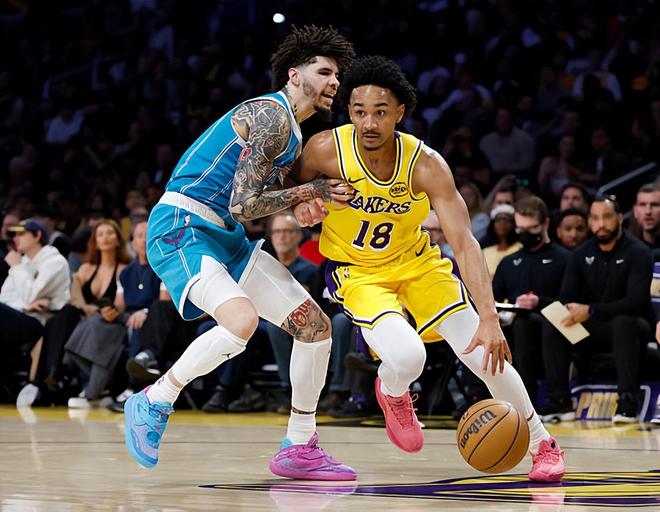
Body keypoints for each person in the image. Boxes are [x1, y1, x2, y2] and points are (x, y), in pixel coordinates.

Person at [292, 55, 565, 482]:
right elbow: (288, 188)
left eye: (380, 112)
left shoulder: (426, 164)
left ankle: (542, 443)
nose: (369, 123)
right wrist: (306, 200)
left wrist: (489, 318)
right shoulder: (325, 149)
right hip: (357, 272)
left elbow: (465, 243)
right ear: (349, 111)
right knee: (408, 357)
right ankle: (393, 391)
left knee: (484, 354)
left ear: (400, 112)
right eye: (359, 111)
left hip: (419, 266)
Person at [123, 25, 357, 481]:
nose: (334, 82)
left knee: (314, 327)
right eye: (324, 72)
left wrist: (303, 201)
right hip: (182, 226)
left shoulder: (291, 131)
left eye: (337, 75)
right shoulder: (271, 115)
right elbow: (244, 204)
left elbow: (259, 199)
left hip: (225, 237)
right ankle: (154, 399)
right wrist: (312, 190)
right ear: (294, 75)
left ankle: (300, 445)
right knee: (241, 321)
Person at [541, 196, 653, 423]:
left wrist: (592, 310)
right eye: (595, 218)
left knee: (623, 321)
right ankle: (560, 401)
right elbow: (566, 298)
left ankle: (627, 403)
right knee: (553, 321)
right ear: (590, 222)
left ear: (620, 218)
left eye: (607, 217)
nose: (601, 224)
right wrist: (571, 310)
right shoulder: (580, 254)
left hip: (633, 327)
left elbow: (636, 302)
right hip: (593, 329)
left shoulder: (639, 252)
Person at [492, 196, 570, 402]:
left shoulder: (565, 259)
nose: (526, 234)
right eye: (521, 229)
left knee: (528, 323)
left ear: (545, 224)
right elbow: (494, 299)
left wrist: (539, 302)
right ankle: (492, 397)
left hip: (556, 325)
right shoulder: (509, 262)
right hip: (516, 325)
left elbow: (570, 302)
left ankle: (554, 399)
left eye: (532, 228)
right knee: (518, 323)